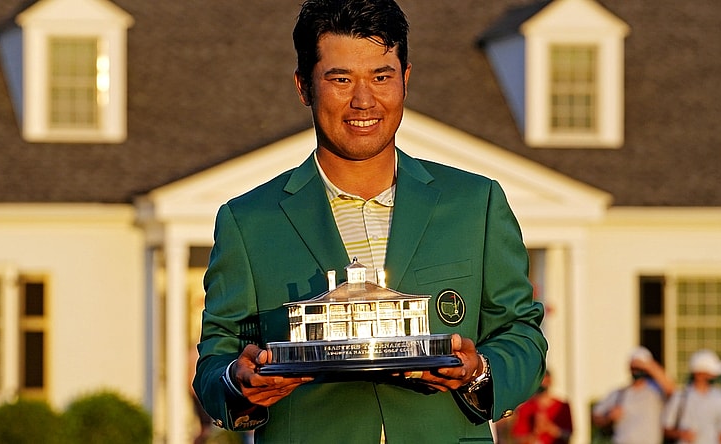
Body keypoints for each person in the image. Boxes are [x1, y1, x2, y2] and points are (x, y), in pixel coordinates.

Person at [192, 1, 548, 442]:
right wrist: (238, 382)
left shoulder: (476, 204)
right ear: (304, 87)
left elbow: (521, 334)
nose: (364, 100)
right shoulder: (248, 221)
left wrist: (479, 373)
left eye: (381, 77)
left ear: (406, 79)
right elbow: (216, 359)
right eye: (341, 79)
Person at [592, 346, 676, 444]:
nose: (637, 370)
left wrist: (649, 366)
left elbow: (672, 390)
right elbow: (596, 417)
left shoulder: (656, 391)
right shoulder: (619, 393)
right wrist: (608, 418)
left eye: (640, 367)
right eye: (634, 367)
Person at [662, 349, 721, 444]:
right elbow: (666, 428)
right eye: (710, 373)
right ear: (699, 373)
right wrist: (681, 434)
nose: (714, 376)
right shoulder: (680, 396)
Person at [511, 370, 572, 444]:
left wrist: (551, 429)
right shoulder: (525, 408)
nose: (543, 383)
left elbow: (569, 436)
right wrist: (536, 432)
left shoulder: (562, 406)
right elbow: (518, 439)